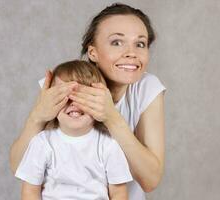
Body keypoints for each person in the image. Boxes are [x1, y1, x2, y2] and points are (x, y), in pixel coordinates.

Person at [9, 3, 166, 200]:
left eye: (140, 43)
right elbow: (20, 167)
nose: (131, 52)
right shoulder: (64, 83)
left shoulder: (147, 87)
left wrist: (111, 117)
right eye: (117, 42)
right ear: (93, 52)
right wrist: (37, 117)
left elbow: (150, 181)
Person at [15, 60, 132, 200]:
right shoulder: (42, 143)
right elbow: (30, 191)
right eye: (64, 95)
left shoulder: (108, 145)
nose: (74, 103)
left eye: (83, 96)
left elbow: (119, 193)